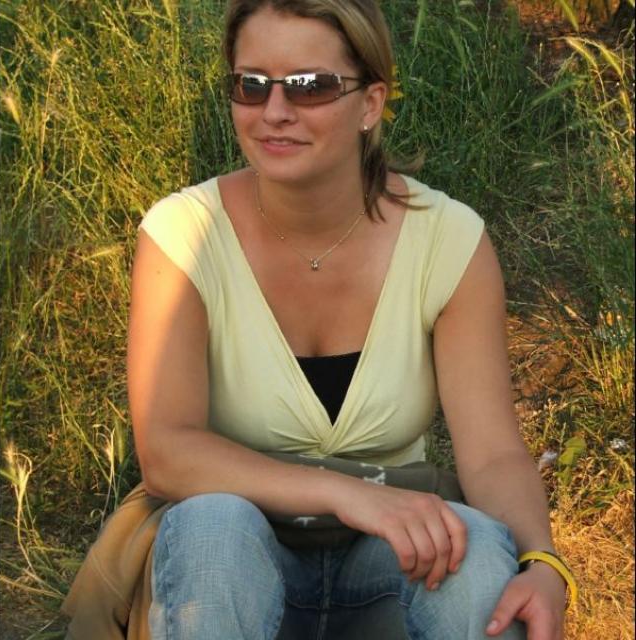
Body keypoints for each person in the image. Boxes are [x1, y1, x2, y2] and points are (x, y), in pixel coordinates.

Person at [124, 1, 574, 638]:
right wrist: (349, 494)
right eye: (252, 84)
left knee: (472, 551)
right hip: (233, 573)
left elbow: (494, 454)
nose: (275, 111)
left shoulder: (447, 240)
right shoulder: (184, 236)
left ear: (371, 103)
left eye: (310, 86)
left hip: (391, 564)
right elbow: (167, 452)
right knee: (213, 526)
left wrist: (542, 562)